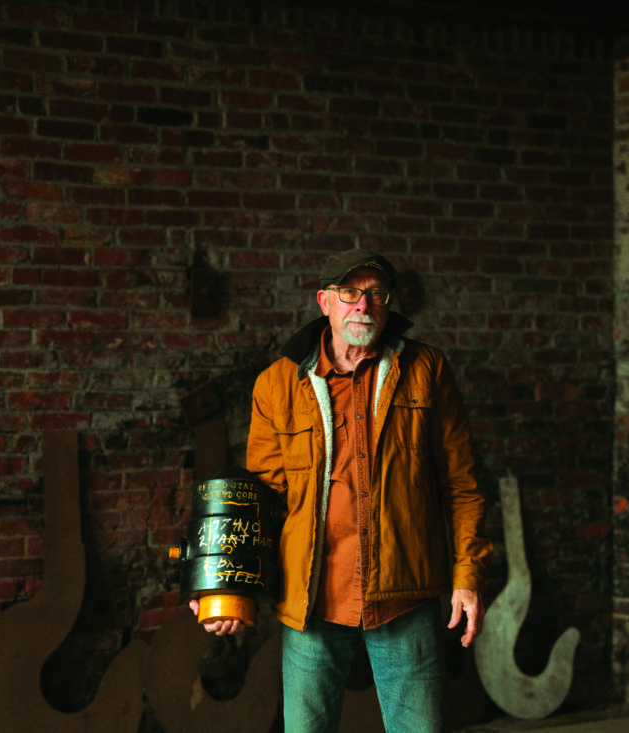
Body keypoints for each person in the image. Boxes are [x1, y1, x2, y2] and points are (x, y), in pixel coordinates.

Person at [191, 249, 491, 733]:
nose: (363, 305)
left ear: (388, 304)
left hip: (404, 595)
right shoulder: (277, 385)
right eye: (350, 293)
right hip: (312, 600)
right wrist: (222, 585)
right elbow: (260, 502)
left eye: (376, 294)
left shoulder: (426, 370)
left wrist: (467, 576)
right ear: (325, 302)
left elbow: (462, 483)